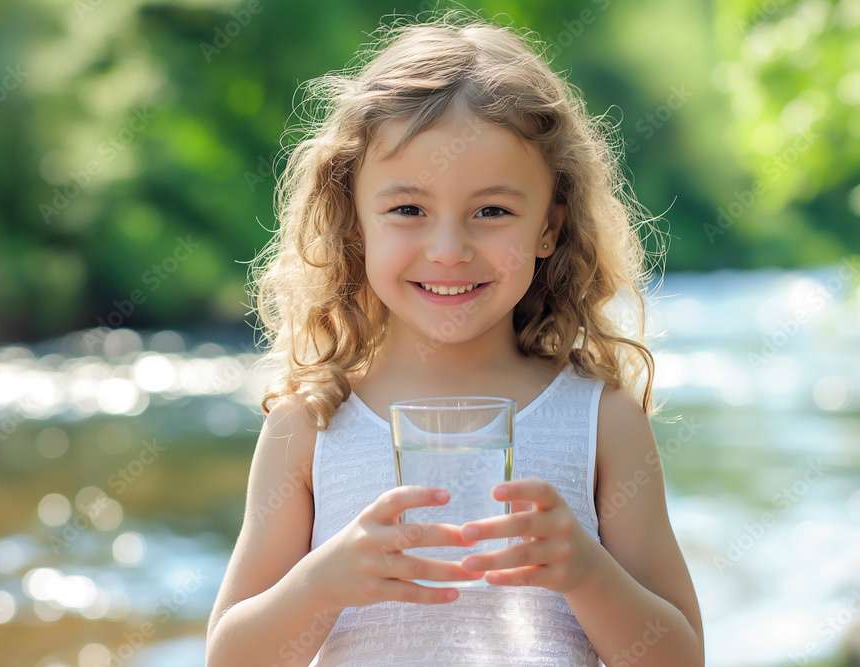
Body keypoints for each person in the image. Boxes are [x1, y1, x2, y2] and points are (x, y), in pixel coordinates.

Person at [207, 9, 704, 667]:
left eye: (492, 211)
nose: (449, 250)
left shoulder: (599, 420)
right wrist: (320, 584)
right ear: (354, 222)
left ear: (549, 227)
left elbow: (679, 657)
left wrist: (587, 571)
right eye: (408, 210)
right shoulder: (310, 425)